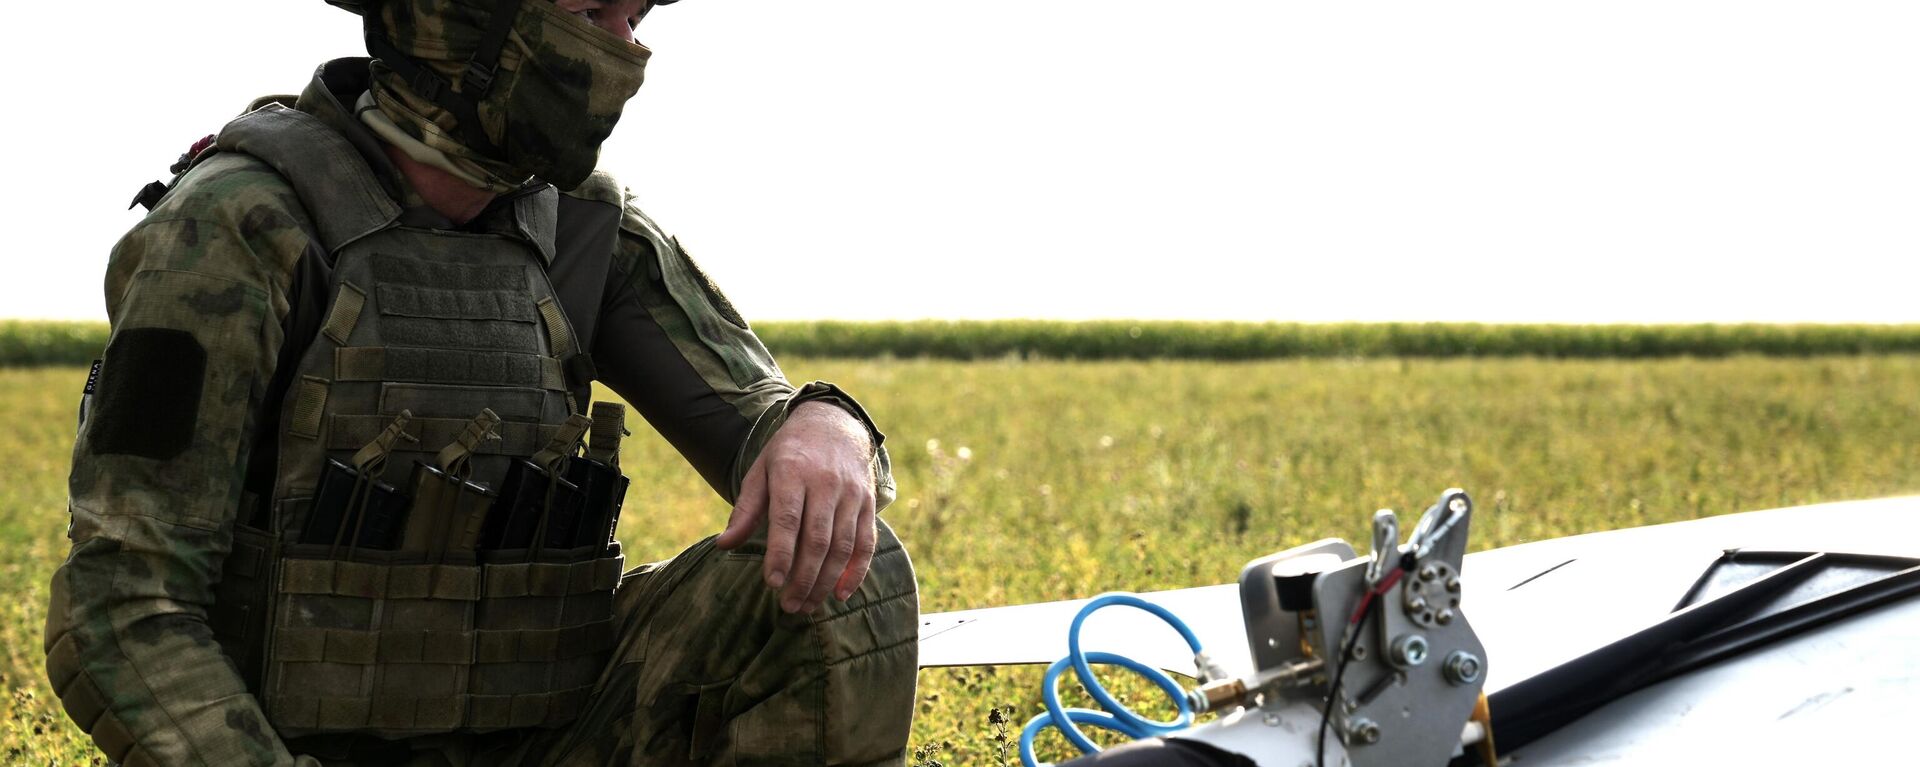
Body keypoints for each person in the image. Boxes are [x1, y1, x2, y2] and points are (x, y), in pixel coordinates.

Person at [44, 0, 919, 764]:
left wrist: (825, 423)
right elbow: (122, 602)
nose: (629, 55)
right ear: (460, 18)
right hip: (284, 745)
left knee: (853, 564)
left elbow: (766, 420)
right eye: (588, 17)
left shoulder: (584, 228)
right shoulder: (236, 225)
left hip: (548, 734)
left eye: (637, 20)